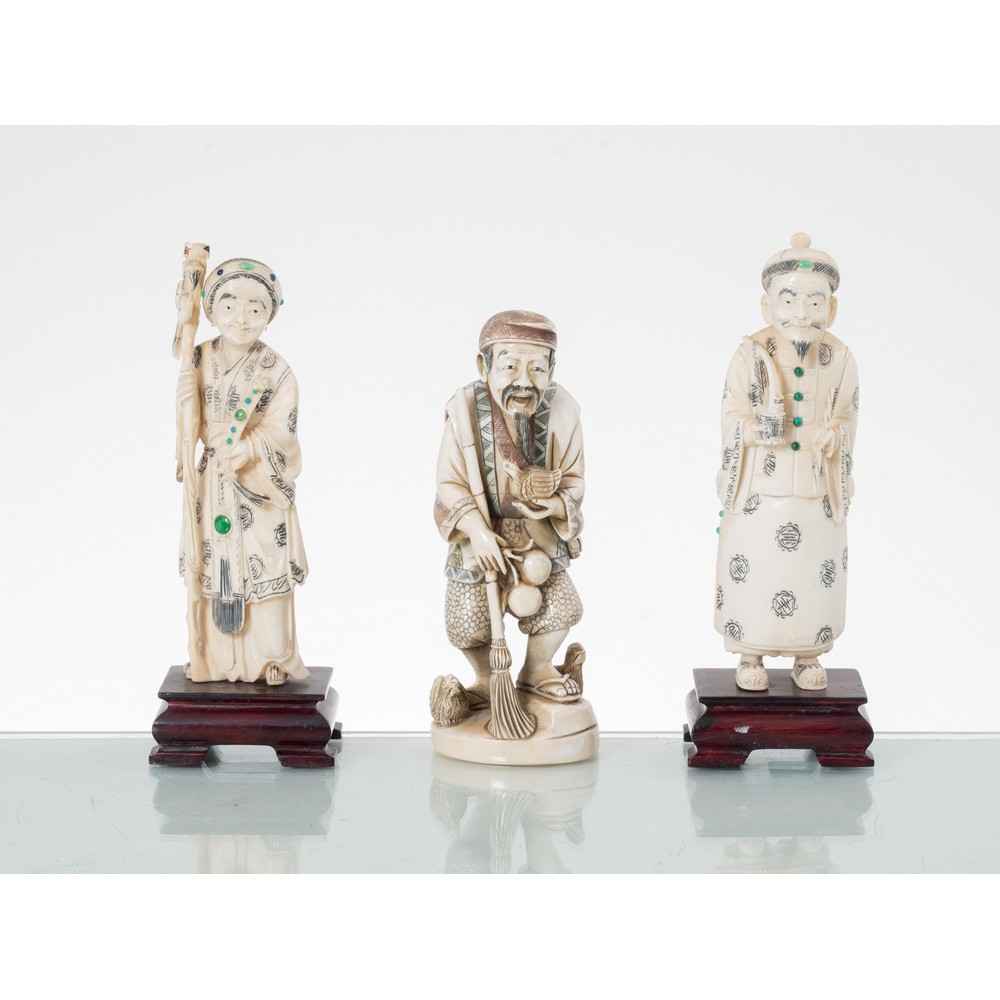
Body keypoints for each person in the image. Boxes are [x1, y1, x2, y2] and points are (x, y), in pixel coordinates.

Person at [715, 234, 859, 692]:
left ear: (831, 308)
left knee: (812, 569)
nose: (801, 312)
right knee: (757, 568)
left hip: (816, 489)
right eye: (789, 299)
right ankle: (750, 653)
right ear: (767, 306)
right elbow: (732, 410)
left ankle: (807, 654)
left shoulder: (840, 358)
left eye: (814, 302)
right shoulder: (750, 353)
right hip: (761, 487)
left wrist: (835, 436)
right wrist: (751, 431)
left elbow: (848, 413)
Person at [434, 310, 585, 710]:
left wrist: (555, 503)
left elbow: (573, 479)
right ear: (484, 367)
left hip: (539, 532)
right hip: (480, 530)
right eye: (510, 367)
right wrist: (478, 532)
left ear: (552, 369)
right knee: (467, 620)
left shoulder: (564, 411)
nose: (524, 381)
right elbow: (449, 482)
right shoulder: (465, 410)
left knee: (561, 608)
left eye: (537, 368)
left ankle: (537, 669)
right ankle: (487, 679)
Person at [175, 257, 308, 685]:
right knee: (214, 566)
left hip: (257, 484)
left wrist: (250, 447)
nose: (242, 318)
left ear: (270, 316)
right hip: (213, 480)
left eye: (255, 308)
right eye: (230, 306)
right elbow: (191, 427)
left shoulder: (277, 371)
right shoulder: (199, 358)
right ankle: (213, 658)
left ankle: (272, 656)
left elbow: (284, 432)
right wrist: (186, 405)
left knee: (265, 563)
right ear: (212, 311)